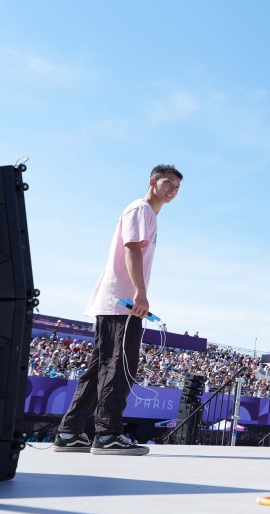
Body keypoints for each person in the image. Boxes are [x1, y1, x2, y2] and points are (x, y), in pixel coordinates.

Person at [54, 164, 182, 455]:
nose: (172, 189)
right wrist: (140, 293)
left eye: (177, 186)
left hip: (116, 301)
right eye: (168, 182)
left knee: (101, 367)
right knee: (119, 367)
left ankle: (70, 431)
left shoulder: (148, 214)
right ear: (153, 182)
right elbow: (131, 248)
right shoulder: (141, 210)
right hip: (123, 303)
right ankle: (108, 434)